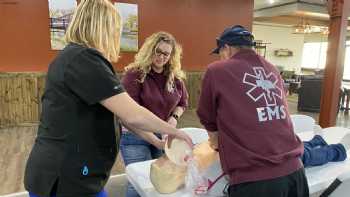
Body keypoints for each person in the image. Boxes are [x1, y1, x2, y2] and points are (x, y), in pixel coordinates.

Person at [23, 1, 192, 197]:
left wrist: (156, 142)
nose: (116, 35)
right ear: (102, 27)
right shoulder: (84, 59)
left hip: (73, 172)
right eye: (114, 29)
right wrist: (175, 132)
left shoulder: (75, 56)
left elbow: (123, 115)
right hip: (66, 176)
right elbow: (133, 114)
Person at [196, 25, 309, 197]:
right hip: (296, 172)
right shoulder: (272, 69)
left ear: (226, 48)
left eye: (220, 52)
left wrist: (216, 143)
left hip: (256, 180)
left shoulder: (217, 70)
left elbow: (207, 116)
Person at [120, 31, 189, 197]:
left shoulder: (174, 77)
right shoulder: (134, 75)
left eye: (166, 53)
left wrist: (173, 118)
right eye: (158, 51)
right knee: (139, 182)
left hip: (162, 135)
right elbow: (129, 117)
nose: (161, 57)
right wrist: (156, 140)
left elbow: (183, 103)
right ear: (150, 49)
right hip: (135, 136)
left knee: (158, 184)